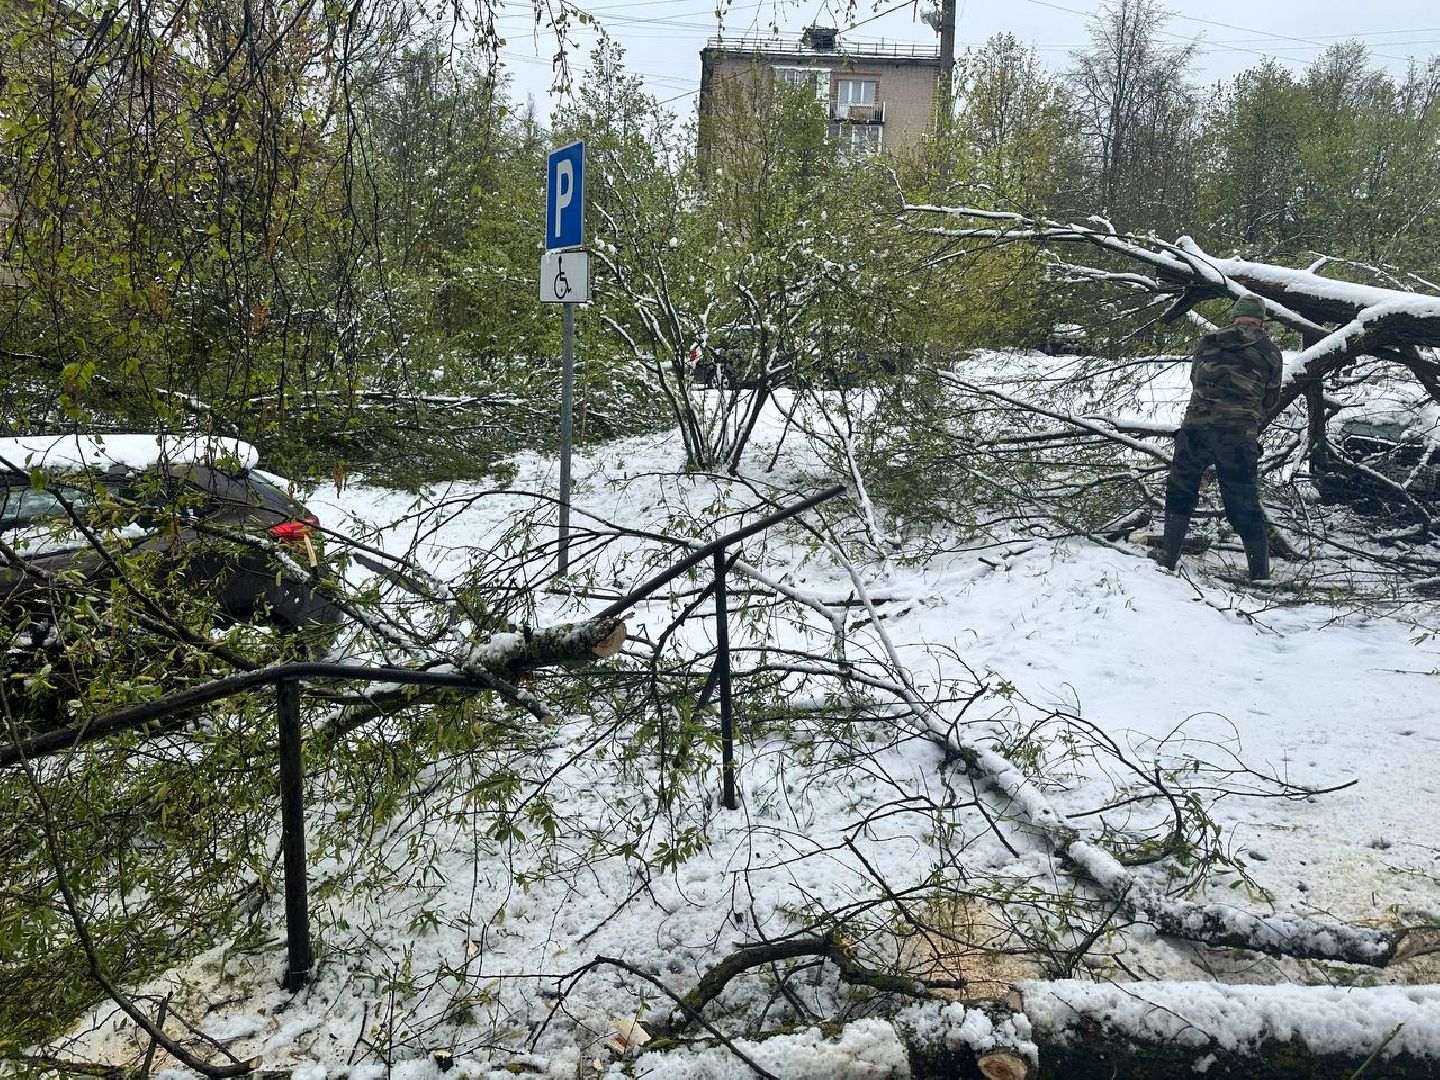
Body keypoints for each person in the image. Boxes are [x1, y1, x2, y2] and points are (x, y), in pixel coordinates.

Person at [1157, 294, 1284, 580]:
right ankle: (1259, 572)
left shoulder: (1208, 341)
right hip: (1238, 436)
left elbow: (1195, 380)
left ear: (1233, 317)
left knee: (1180, 492)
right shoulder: (1270, 351)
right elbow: (1271, 398)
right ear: (1261, 321)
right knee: (1243, 499)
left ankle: (1167, 559)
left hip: (1196, 429)